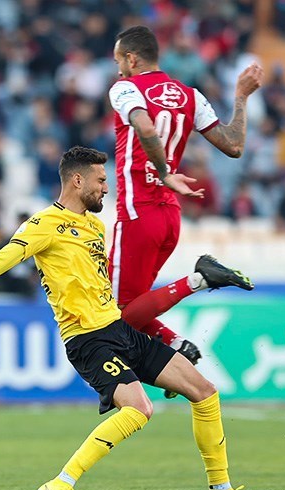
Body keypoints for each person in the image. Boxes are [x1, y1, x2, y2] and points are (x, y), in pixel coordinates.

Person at [0, 146, 269, 490]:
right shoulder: (42, 225)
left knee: (204, 391)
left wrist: (163, 339)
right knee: (139, 409)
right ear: (77, 180)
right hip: (87, 340)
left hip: (118, 328)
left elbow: (104, 290)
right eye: (100, 180)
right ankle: (61, 483)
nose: (106, 188)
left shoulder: (96, 226)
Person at [107, 25, 264, 396]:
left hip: (137, 212)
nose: (117, 71)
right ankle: (178, 346)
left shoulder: (125, 89)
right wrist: (241, 97)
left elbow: (144, 125)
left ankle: (199, 280)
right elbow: (234, 145)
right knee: (137, 306)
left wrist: (164, 172)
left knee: (114, 315)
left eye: (119, 62)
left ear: (131, 59)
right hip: (169, 219)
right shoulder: (190, 96)